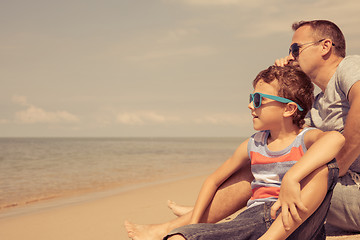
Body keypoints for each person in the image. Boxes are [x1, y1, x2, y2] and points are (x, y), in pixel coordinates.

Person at [125, 65, 345, 240]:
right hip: (258, 218)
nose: (251, 105)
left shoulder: (304, 138)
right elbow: (213, 180)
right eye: (251, 98)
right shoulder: (254, 144)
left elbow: (336, 138)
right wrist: (195, 222)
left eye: (258, 100)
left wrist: (292, 177)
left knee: (325, 167)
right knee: (181, 237)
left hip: (298, 223)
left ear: (288, 109)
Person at [274, 20, 360, 233]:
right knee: (269, 171)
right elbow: (288, 142)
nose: (292, 55)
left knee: (275, 182)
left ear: (325, 46)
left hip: (354, 189)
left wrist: (338, 167)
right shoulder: (316, 105)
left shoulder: (347, 67)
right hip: (348, 191)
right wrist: (281, 81)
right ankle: (201, 217)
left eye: (296, 48)